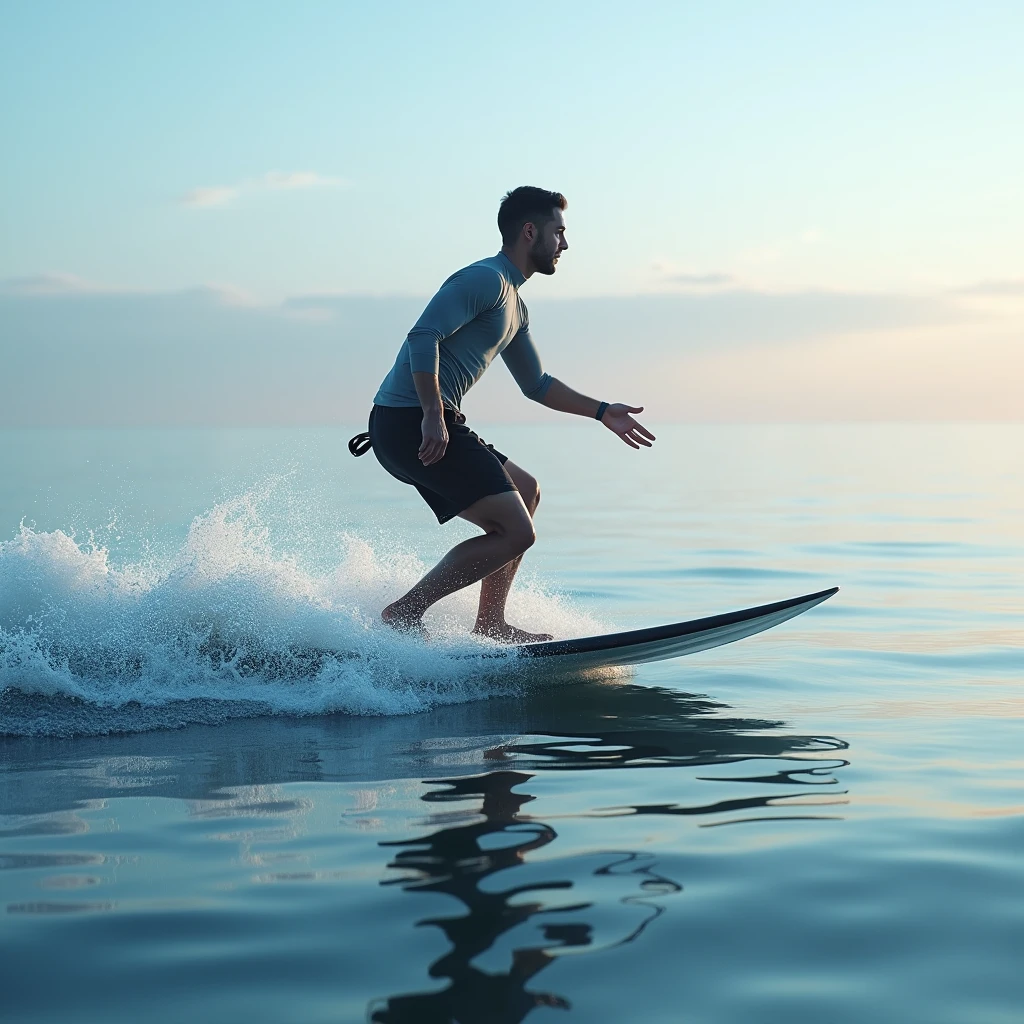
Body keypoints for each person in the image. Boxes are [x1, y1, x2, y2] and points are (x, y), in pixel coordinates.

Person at [353, 186, 655, 642]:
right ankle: (404, 613)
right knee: (517, 531)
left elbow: (537, 385)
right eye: (559, 232)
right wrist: (433, 412)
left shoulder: (515, 303)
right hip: (409, 420)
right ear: (530, 231)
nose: (565, 244)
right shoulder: (485, 280)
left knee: (528, 492)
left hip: (426, 419)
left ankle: (490, 623)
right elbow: (422, 337)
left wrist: (601, 411)